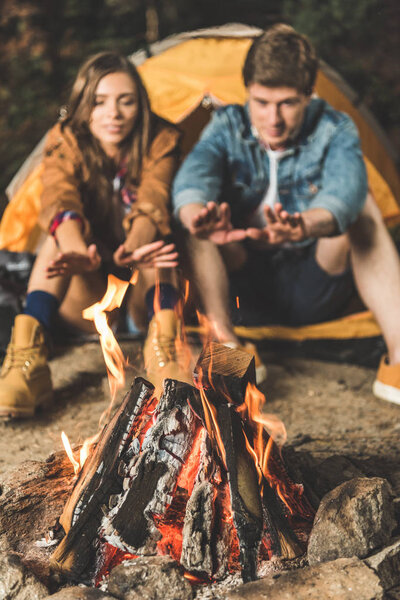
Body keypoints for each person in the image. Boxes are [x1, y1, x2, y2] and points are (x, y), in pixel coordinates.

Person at [172, 24, 400, 403]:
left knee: (362, 205)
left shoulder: (335, 128)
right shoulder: (227, 124)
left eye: (288, 104)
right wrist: (198, 214)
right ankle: (227, 349)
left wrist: (306, 225)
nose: (273, 118)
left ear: (309, 95)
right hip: (244, 291)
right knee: (192, 220)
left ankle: (398, 360)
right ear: (247, 92)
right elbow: (195, 175)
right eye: (261, 102)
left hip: (313, 285)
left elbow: (346, 191)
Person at [0, 51, 191, 419]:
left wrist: (135, 248)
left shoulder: (162, 139)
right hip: (90, 297)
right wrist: (77, 250)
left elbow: (154, 197)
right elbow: (59, 198)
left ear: (142, 106)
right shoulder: (65, 140)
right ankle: (28, 361)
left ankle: (165, 351)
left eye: (126, 101)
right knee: (55, 238)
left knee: (158, 246)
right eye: (99, 102)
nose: (113, 114)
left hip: (142, 294)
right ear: (83, 105)